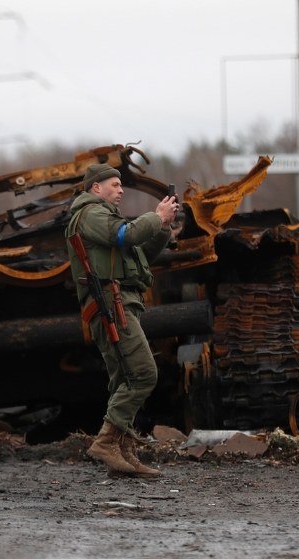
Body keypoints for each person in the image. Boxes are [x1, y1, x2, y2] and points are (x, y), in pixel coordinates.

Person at [65, 163, 180, 477]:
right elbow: (125, 235)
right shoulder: (91, 215)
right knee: (143, 374)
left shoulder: (102, 218)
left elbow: (138, 256)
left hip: (121, 304)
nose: (120, 189)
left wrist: (164, 226)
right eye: (114, 184)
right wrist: (156, 217)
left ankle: (124, 451)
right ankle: (105, 443)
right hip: (110, 306)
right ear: (96, 188)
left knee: (125, 379)